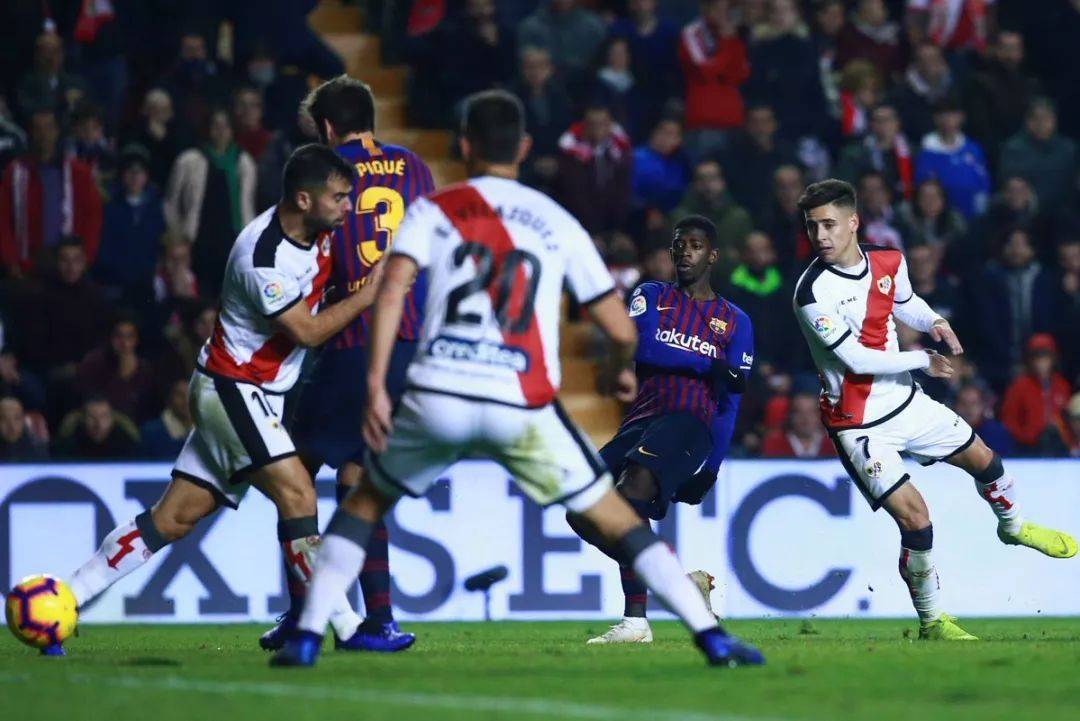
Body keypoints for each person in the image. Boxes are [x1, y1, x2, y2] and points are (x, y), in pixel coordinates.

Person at [270, 89, 764, 669]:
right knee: (615, 515)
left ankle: (306, 636)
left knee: (363, 503)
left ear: (463, 147)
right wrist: (615, 372)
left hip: (440, 390)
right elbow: (618, 328)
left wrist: (376, 384)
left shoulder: (432, 210)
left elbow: (390, 291)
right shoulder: (554, 220)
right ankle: (711, 638)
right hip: (520, 398)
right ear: (525, 148)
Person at [60, 145, 384, 658]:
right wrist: (371, 294)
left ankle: (64, 598)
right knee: (298, 493)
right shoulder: (262, 256)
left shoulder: (318, 232)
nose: (347, 206)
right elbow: (306, 332)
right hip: (232, 389)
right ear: (304, 199)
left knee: (172, 519)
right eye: (338, 197)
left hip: (254, 394)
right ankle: (347, 626)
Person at [791, 178, 1076, 641]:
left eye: (828, 224)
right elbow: (856, 360)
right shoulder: (811, 293)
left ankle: (1013, 526)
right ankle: (932, 621)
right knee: (917, 520)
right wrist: (922, 359)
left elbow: (906, 303)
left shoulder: (889, 260)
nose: (819, 235)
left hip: (905, 402)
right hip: (859, 424)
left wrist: (935, 321)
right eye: (812, 227)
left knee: (986, 460)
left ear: (853, 222)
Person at [262, 75, 436, 654]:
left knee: (291, 474)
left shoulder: (325, 173)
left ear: (328, 127)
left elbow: (314, 252)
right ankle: (378, 620)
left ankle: (304, 613)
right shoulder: (414, 166)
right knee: (359, 476)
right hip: (408, 340)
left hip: (351, 339)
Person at [567, 215, 753, 645]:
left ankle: (636, 622)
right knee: (582, 508)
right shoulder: (651, 295)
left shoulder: (735, 321)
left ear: (713, 255)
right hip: (640, 421)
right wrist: (709, 363)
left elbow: (731, 400)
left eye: (695, 245)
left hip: (690, 422)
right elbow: (644, 346)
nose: (685, 252)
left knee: (631, 491)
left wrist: (712, 468)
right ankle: (680, 587)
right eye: (679, 245)